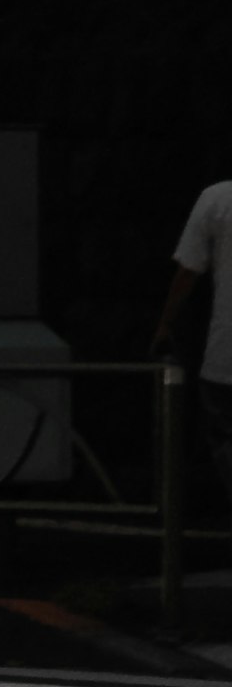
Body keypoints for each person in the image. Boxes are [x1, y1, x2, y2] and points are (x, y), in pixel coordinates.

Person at [149, 176, 232, 510]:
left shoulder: (217, 199)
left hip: (226, 354)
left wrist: (164, 326)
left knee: (226, 439)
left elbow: (188, 271)